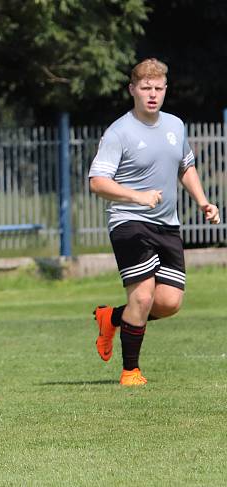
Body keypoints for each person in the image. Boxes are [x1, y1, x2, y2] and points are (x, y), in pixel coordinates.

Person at [89, 58, 220, 386]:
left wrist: (203, 201)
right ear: (132, 89)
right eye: (145, 88)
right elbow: (97, 182)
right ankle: (130, 371)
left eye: (158, 88)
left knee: (169, 302)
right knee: (144, 295)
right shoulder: (119, 132)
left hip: (167, 225)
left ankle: (112, 317)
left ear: (165, 90)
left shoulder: (176, 125)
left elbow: (185, 167)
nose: (152, 94)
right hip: (128, 221)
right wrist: (137, 197)